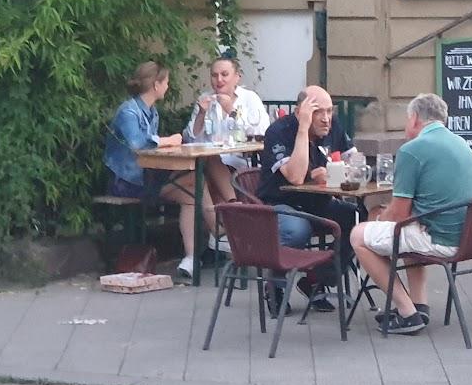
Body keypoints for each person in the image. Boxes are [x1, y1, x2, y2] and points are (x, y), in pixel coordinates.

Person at [350, 93, 472, 335]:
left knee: (358, 236)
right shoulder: (459, 142)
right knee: (408, 229)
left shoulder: (412, 150)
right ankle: (419, 304)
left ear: (414, 118)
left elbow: (398, 215)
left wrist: (377, 218)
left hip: (443, 239)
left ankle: (408, 313)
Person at [104, 61, 233, 280]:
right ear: (156, 84)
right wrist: (169, 140)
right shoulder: (128, 111)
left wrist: (167, 144)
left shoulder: (151, 112)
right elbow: (138, 144)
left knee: (193, 189)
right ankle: (221, 235)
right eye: (165, 82)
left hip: (147, 175)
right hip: (126, 181)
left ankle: (192, 257)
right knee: (195, 182)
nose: (168, 86)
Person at [257, 86, 358, 317]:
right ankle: (276, 287)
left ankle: (316, 278)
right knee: (297, 229)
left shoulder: (332, 126)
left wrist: (339, 171)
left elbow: (355, 161)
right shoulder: (279, 131)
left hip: (317, 202)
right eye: (317, 112)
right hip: (280, 203)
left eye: (329, 111)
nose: (326, 118)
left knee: (356, 218)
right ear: (300, 112)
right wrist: (303, 129)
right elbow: (295, 177)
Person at [186, 55, 270, 172]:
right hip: (205, 163)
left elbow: (261, 132)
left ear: (237, 77)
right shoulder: (205, 99)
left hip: (240, 163)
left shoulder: (250, 98)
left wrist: (231, 111)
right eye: (214, 75)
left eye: (224, 74)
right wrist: (201, 114)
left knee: (211, 162)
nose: (219, 79)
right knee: (186, 176)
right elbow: (190, 140)